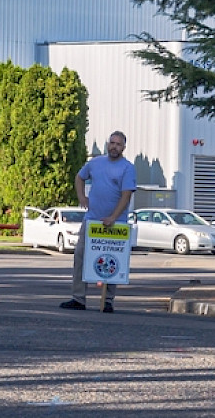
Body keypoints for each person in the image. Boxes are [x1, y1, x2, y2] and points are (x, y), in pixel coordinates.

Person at [60, 131, 137, 313]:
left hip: (115, 223)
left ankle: (108, 300)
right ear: (107, 144)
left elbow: (126, 195)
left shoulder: (127, 168)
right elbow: (79, 177)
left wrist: (113, 217)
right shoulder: (95, 163)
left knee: (112, 260)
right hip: (92, 220)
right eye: (112, 143)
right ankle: (78, 298)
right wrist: (82, 197)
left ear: (124, 147)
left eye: (118, 144)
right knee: (80, 256)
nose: (114, 147)